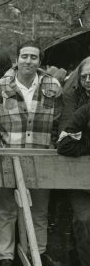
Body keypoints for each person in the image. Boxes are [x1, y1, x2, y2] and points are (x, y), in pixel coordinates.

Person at [0, 41, 63, 266]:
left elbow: (59, 121)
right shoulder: (1, 86)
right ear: (16, 59)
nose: (28, 61)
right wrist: (1, 146)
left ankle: (38, 252)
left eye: (34, 57)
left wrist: (52, 146)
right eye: (24, 56)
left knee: (38, 210)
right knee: (5, 210)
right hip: (7, 157)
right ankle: (5, 256)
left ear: (40, 61)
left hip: (42, 159)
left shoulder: (53, 85)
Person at [57, 56, 90, 266]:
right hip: (78, 170)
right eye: (85, 76)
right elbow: (66, 137)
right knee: (83, 220)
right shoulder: (77, 102)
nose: (88, 80)